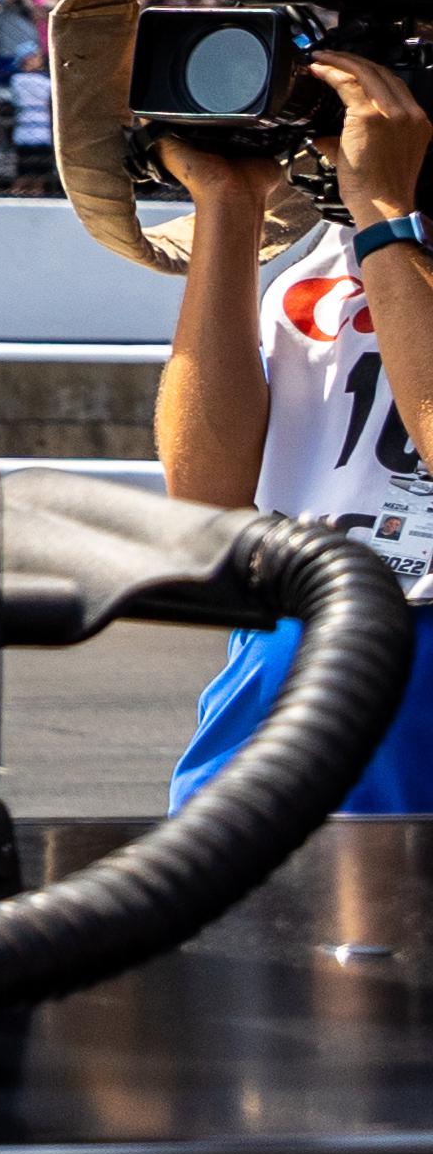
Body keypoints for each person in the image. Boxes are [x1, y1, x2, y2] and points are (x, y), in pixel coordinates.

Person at [153, 44, 433, 809]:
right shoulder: (332, 257)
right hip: (283, 643)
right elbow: (208, 494)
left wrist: (383, 210)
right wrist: (229, 207)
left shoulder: (377, 229)